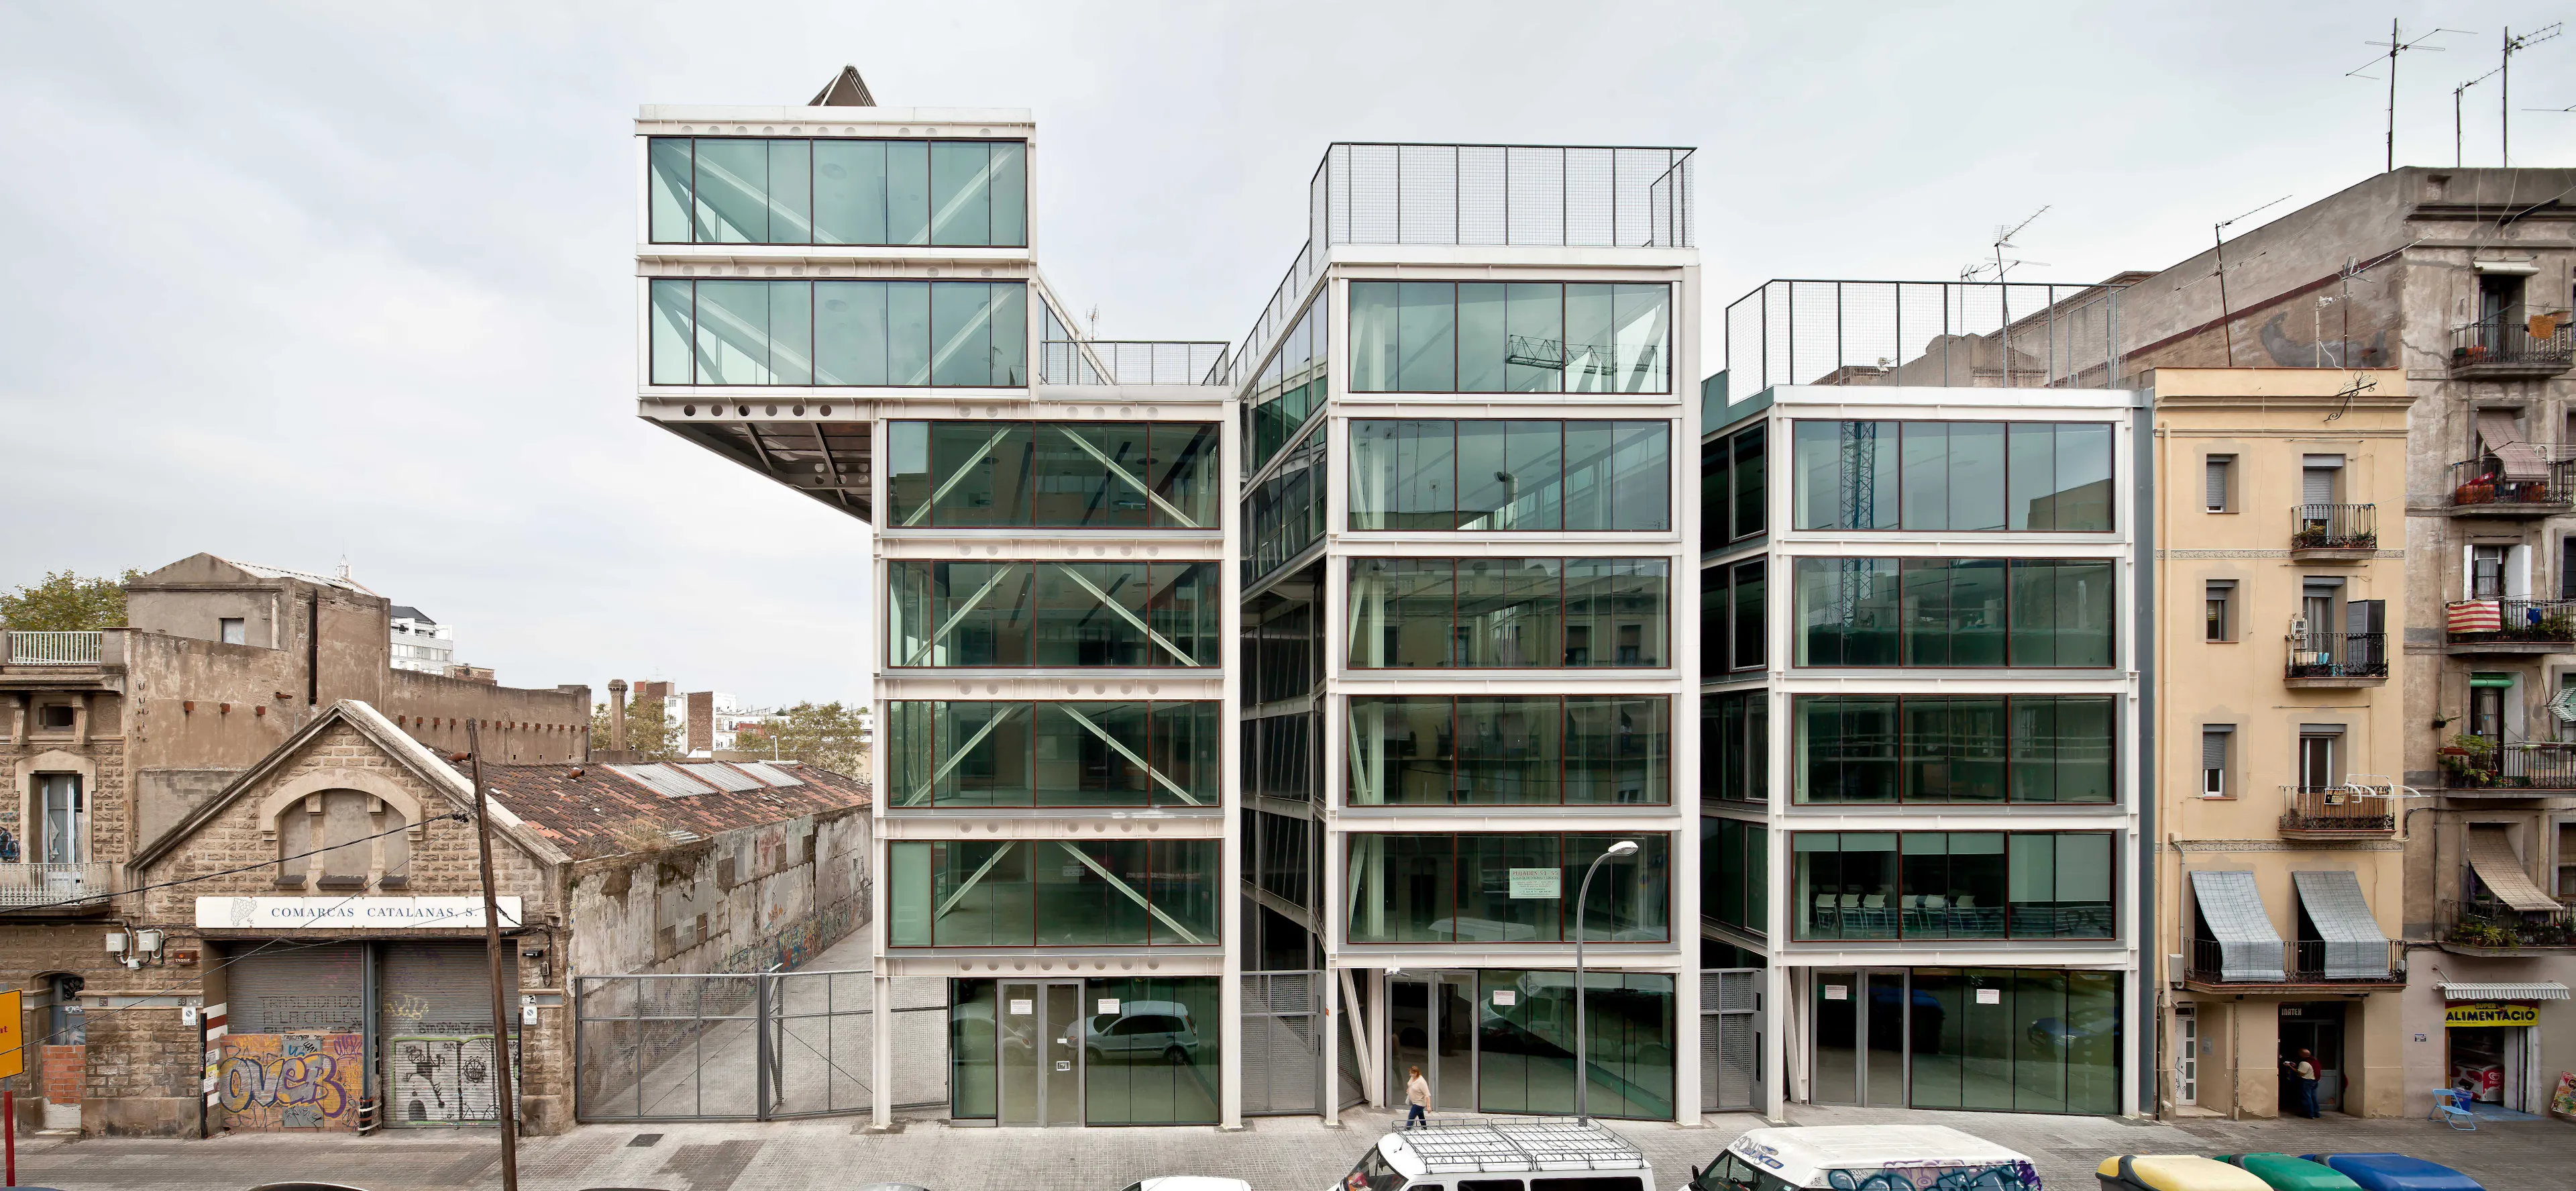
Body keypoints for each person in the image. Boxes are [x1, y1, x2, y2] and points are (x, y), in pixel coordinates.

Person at [2282, 1048, 2320, 1118]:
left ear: (2302, 1054)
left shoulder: (2304, 1063)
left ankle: (2309, 1114)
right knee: (2313, 1098)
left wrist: (2290, 1067)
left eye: (2300, 1053)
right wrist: (2295, 1065)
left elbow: (2301, 1073)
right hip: (2315, 1081)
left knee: (2306, 1098)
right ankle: (2316, 1113)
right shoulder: (2314, 1061)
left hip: (2307, 1081)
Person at [1404, 1064, 1430, 1129]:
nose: (1410, 1075)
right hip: (1414, 1101)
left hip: (1419, 1103)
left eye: (1411, 1074)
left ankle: (1406, 1131)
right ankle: (1425, 1129)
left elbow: (1427, 1094)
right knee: (1421, 1116)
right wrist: (1409, 1089)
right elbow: (1410, 1084)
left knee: (1411, 1117)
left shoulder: (1422, 1082)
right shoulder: (1413, 1077)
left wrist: (1429, 1107)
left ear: (1416, 1073)